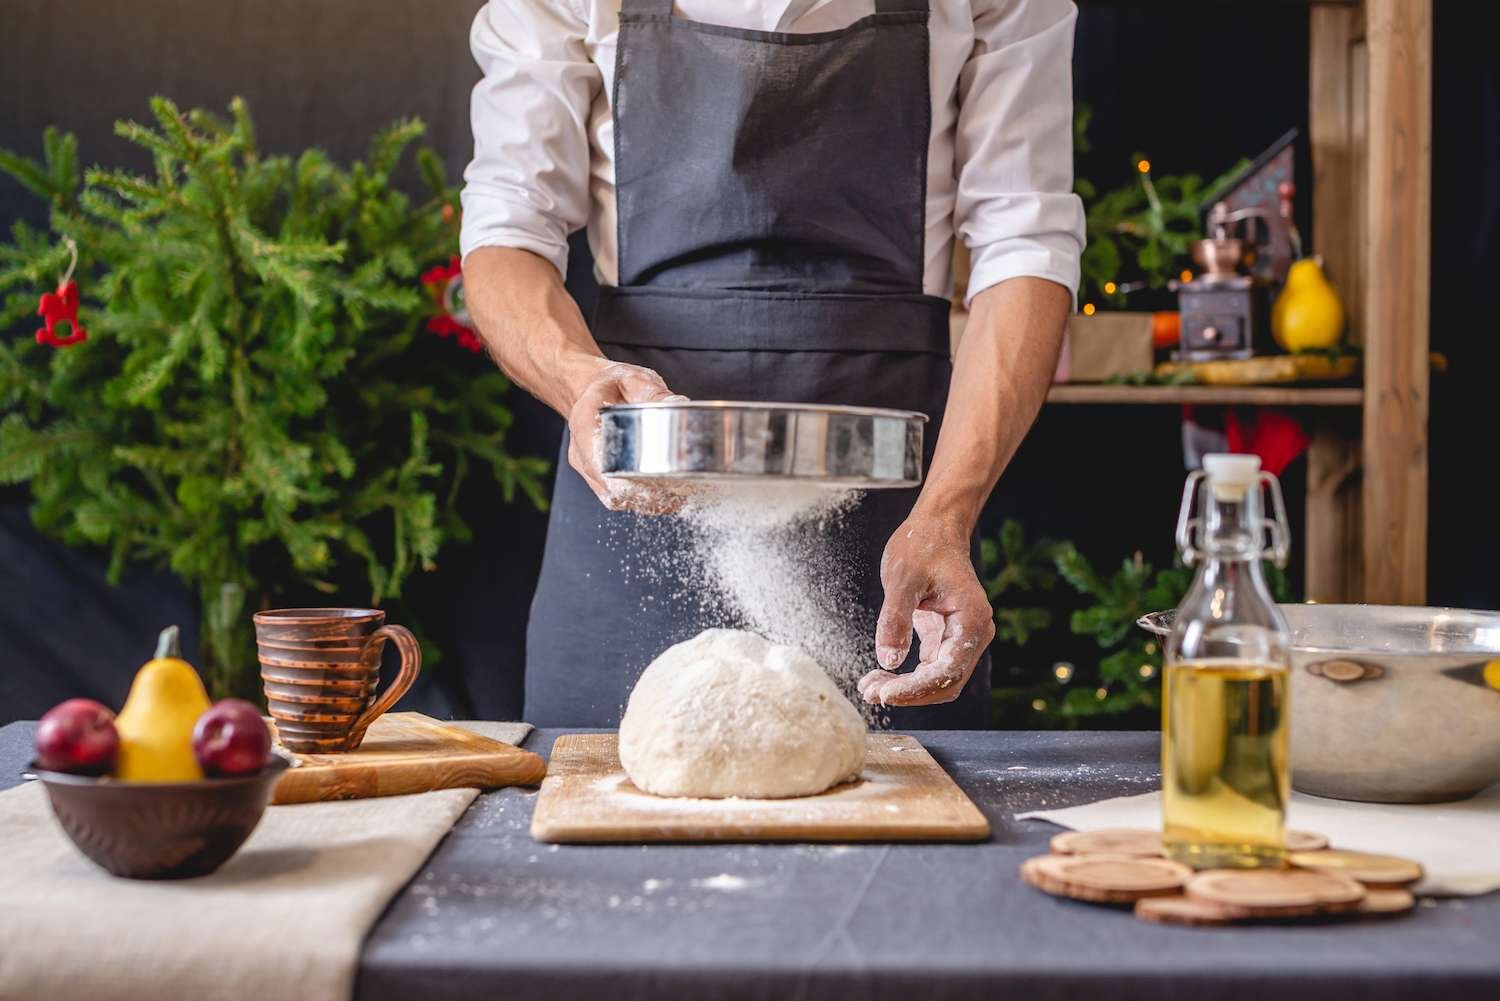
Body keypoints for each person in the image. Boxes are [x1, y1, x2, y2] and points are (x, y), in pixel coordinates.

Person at [461, 0, 1083, 727]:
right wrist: (577, 378)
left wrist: (946, 515)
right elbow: (508, 226)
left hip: (897, 542)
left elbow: (1024, 240)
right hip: (635, 506)